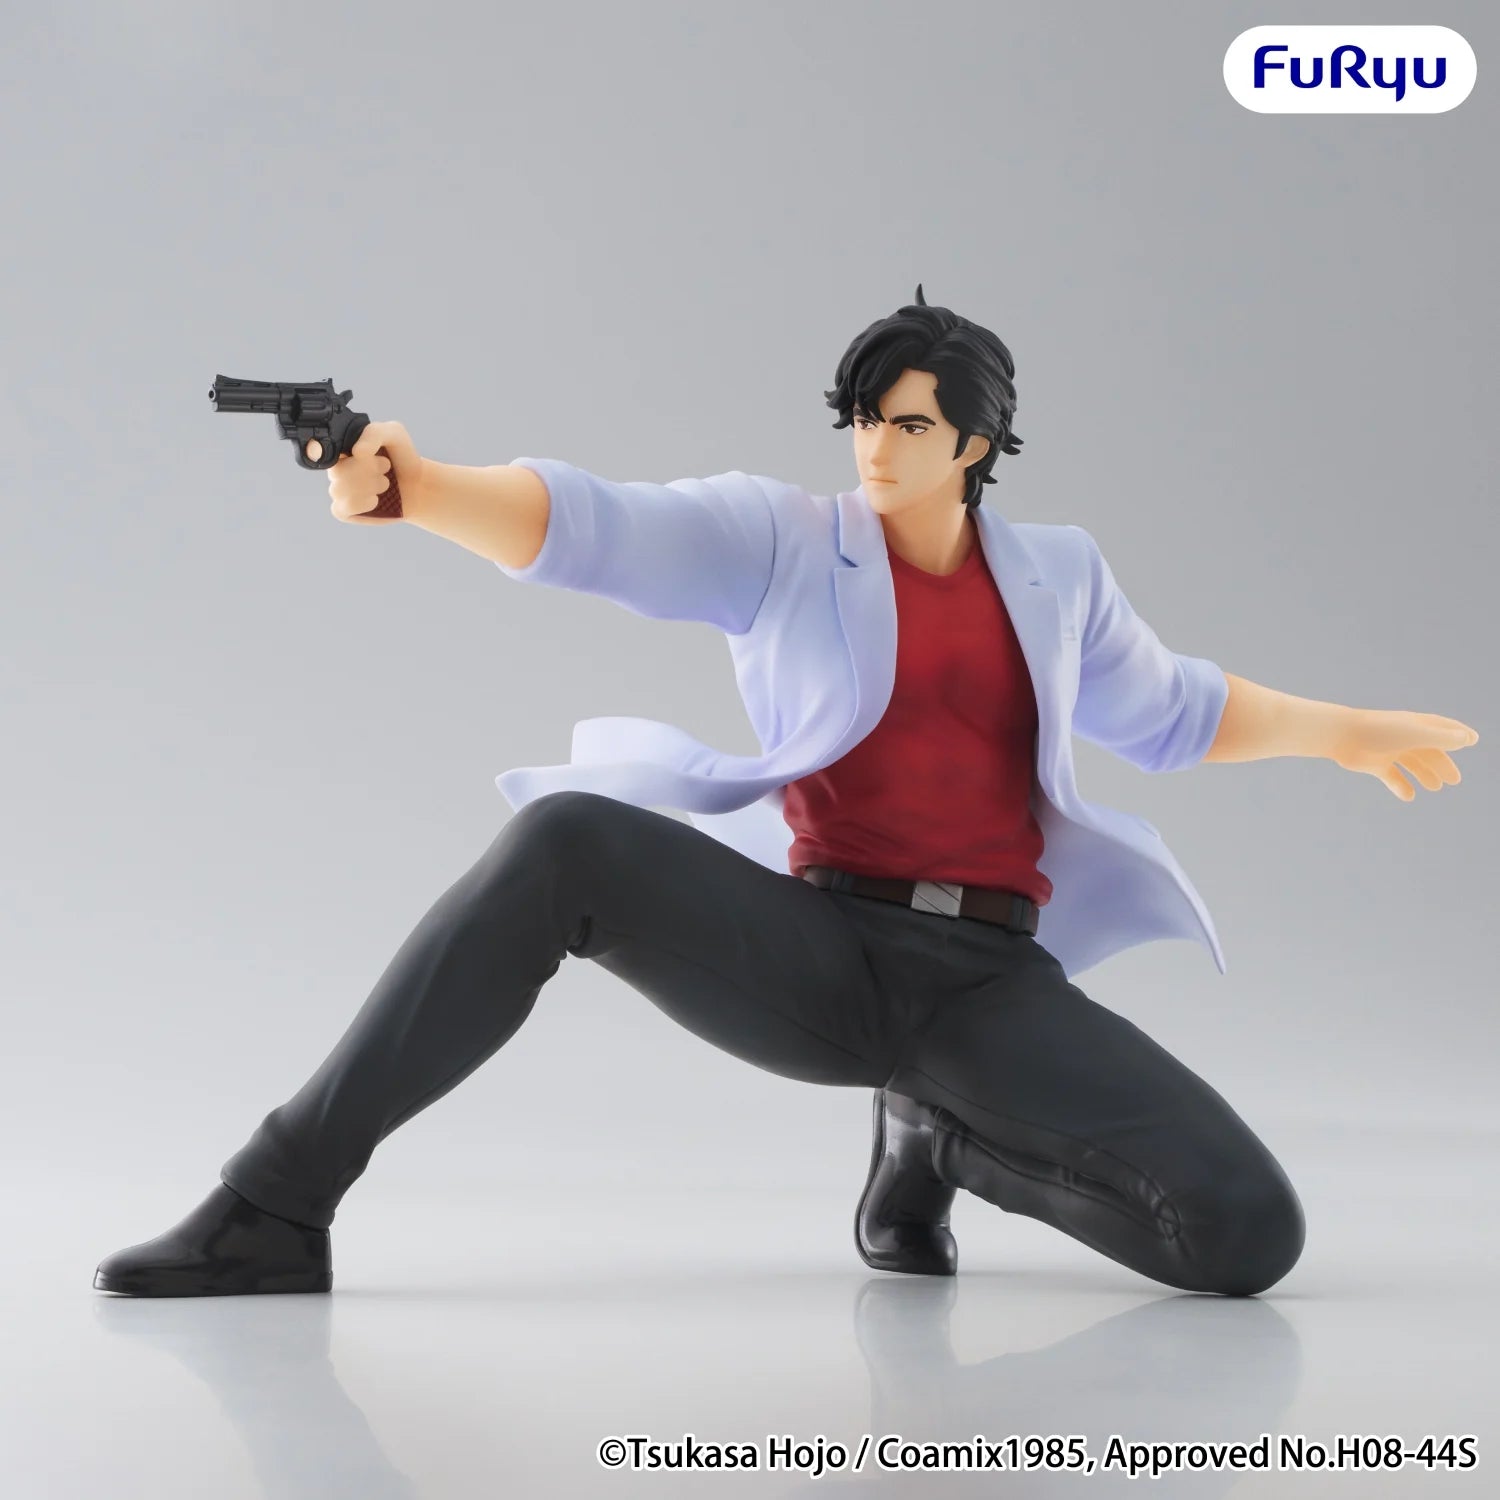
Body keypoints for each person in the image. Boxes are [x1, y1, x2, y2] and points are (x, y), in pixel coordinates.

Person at [94, 289, 1478, 1298]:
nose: (876, 447)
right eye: (864, 419)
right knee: (566, 842)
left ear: (977, 444)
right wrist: (421, 486)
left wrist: (1345, 732)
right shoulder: (788, 540)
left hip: (993, 979)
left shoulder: (1058, 575)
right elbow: (604, 529)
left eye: (911, 423)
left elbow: (1175, 708)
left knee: (1244, 1237)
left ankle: (945, 1139)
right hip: (820, 951)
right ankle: (275, 1204)